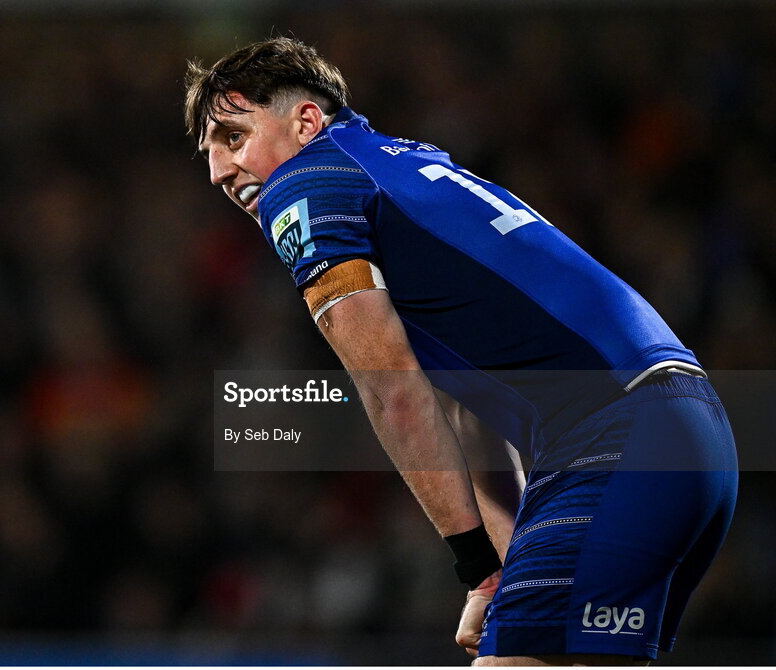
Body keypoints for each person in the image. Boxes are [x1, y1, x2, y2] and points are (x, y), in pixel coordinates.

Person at [184, 37, 737, 666]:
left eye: (233, 137)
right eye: (209, 153)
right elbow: (470, 414)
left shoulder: (304, 184)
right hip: (691, 433)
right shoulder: (400, 163)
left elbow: (389, 389)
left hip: (613, 440)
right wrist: (499, 572)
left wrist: (473, 569)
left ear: (306, 121)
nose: (218, 172)